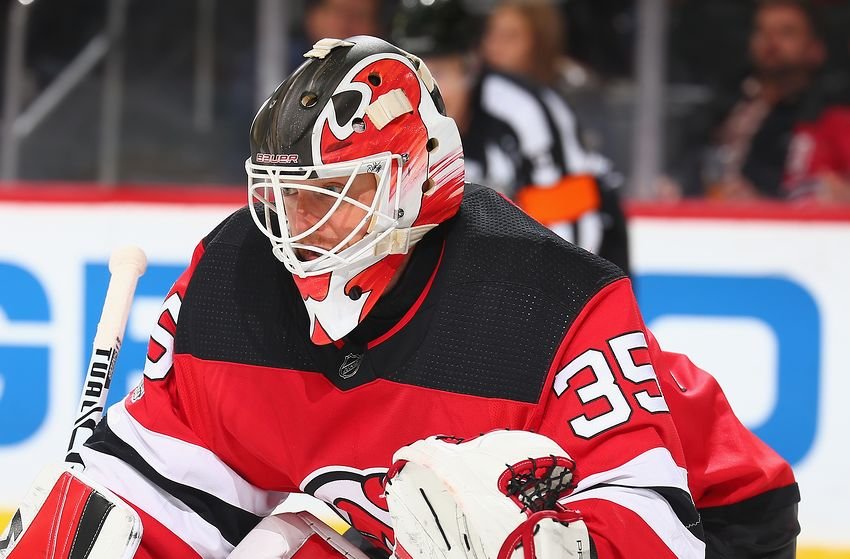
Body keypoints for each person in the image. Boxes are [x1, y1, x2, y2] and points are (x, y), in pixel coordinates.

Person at [1, 35, 798, 559]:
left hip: (720, 516)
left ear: (415, 182)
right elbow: (167, 491)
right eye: (287, 195)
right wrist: (89, 522)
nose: (298, 225)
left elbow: (658, 527)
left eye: (334, 194)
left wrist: (555, 545)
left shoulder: (544, 301)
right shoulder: (228, 284)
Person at [392, 0, 630, 275]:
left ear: (470, 67)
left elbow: (570, 230)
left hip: (586, 270)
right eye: (411, 75)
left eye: (439, 73)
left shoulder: (523, 111)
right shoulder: (389, 114)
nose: (426, 91)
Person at [673, 0, 833, 200]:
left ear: (815, 49)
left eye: (786, 32)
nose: (771, 42)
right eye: (762, 31)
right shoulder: (726, 100)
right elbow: (687, 158)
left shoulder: (825, 119)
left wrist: (762, 204)